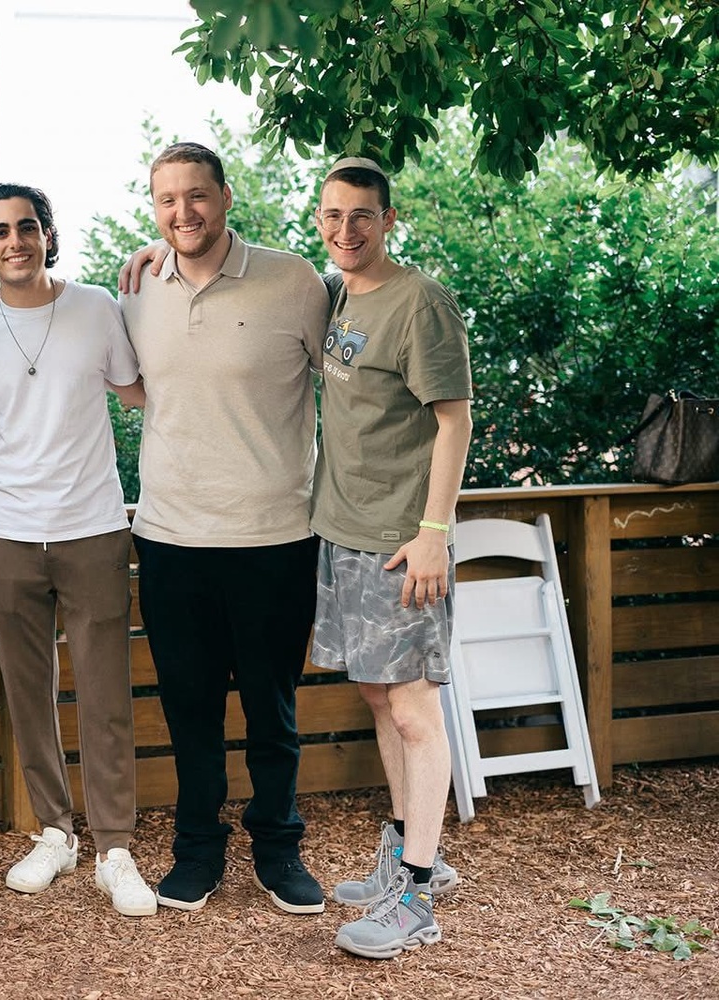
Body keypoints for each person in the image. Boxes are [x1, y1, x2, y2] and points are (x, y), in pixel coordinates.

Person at [118, 142, 329, 915]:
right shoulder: (137, 289)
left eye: (198, 196)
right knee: (190, 710)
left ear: (226, 196)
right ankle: (198, 853)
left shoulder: (294, 280)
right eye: (168, 200)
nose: (184, 213)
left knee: (272, 710)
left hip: (274, 535)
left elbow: (349, 383)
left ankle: (279, 851)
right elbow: (137, 391)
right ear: (154, 208)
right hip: (171, 538)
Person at [0, 182, 156, 917]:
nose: (14, 241)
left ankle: (116, 848)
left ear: (47, 233)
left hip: (93, 525)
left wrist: (160, 271)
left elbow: (141, 393)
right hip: (7, 532)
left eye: (26, 227)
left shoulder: (97, 306)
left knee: (104, 692)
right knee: (28, 691)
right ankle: (55, 833)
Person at [306, 157, 472, 959]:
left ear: (389, 219)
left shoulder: (420, 302)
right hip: (343, 530)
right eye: (333, 215)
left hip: (401, 544)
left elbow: (455, 419)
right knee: (379, 697)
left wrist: (433, 530)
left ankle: (415, 897)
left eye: (362, 216)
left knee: (412, 708)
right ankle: (411, 856)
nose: (347, 231)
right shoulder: (339, 293)